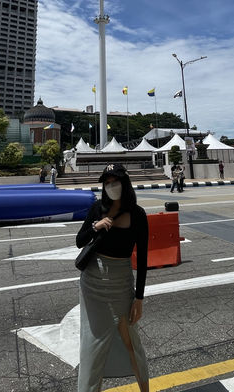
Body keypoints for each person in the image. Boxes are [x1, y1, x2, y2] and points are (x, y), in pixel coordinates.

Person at [76, 163, 149, 392]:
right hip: (92, 281)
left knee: (130, 342)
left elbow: (144, 259)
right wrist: (96, 226)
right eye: (106, 183)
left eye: (114, 182)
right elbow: (79, 240)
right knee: (92, 345)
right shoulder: (97, 208)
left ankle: (145, 388)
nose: (111, 186)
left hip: (121, 281)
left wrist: (139, 298)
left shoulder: (137, 215)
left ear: (124, 183)